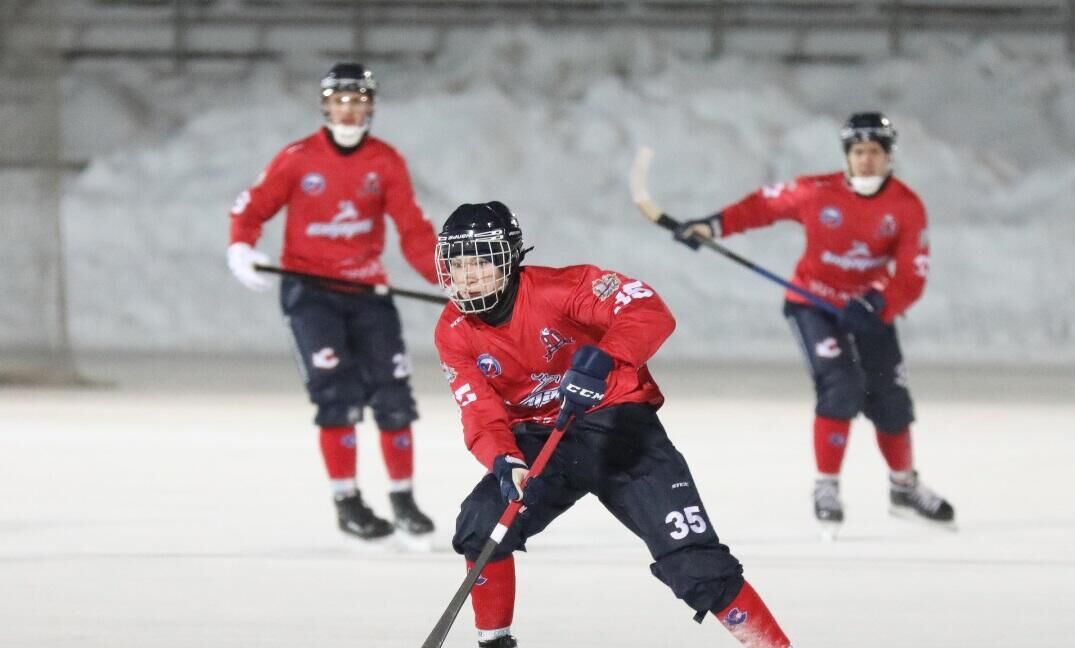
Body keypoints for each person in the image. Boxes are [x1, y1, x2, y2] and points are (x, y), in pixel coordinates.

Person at [433, 201, 793, 648]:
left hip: (619, 430)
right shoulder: (453, 330)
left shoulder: (562, 289)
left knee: (696, 567)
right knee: (482, 521)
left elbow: (648, 309)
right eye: (457, 262)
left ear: (509, 258)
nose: (466, 276)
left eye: (480, 260)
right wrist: (503, 460)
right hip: (544, 442)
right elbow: (480, 413)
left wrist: (606, 359)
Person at [673, 112, 955, 535]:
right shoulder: (816, 192)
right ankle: (826, 488)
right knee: (840, 388)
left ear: (889, 157)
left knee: (890, 399)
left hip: (870, 308)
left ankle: (903, 487)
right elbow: (763, 206)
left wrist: (879, 300)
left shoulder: (906, 206)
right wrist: (712, 226)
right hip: (814, 303)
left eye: (875, 153)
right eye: (858, 152)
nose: (866, 161)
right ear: (847, 156)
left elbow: (913, 276)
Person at [226, 62, 436, 541]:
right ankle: (347, 500)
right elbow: (252, 207)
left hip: (368, 292)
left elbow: (413, 230)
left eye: (359, 101)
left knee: (394, 396)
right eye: (341, 101)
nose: (349, 110)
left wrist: (449, 277)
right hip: (311, 295)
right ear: (326, 105)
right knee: (336, 397)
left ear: (372, 106)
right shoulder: (298, 159)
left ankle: (402, 497)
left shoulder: (385, 162)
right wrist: (241, 246)